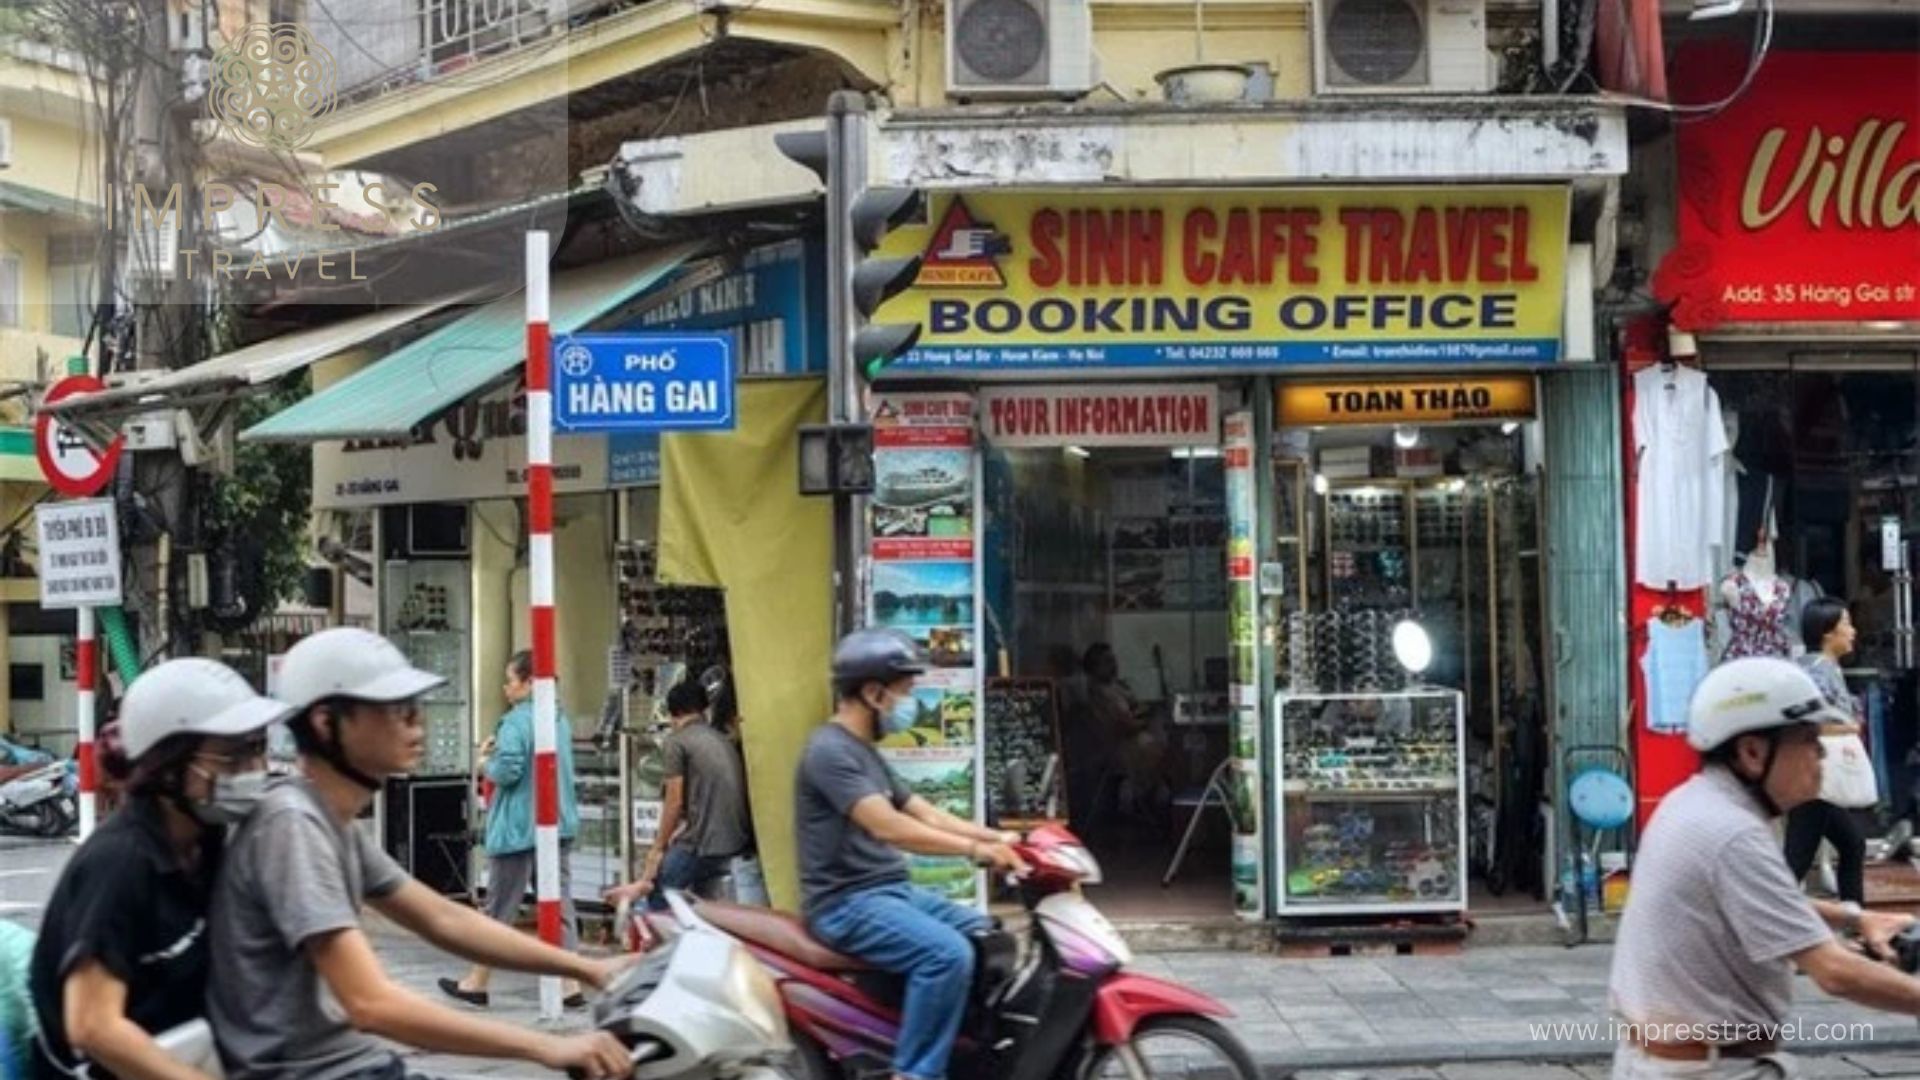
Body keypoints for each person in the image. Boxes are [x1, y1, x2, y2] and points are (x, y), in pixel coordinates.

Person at [206, 628, 628, 1080]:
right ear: (326, 723)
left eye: (414, 707)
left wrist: (591, 968)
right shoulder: (293, 827)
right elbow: (372, 1003)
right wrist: (546, 1047)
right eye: (394, 709)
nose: (415, 722)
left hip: (355, 1066)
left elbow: (444, 919)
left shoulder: (331, 823)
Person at [1608, 657, 1920, 1079]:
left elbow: (1766, 902)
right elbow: (1835, 973)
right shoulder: (1732, 832)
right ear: (1753, 752)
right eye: (1809, 741)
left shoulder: (1695, 804)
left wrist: (1857, 917)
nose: (1821, 757)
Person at [28, 659, 291, 1080]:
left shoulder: (205, 840)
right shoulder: (120, 863)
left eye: (257, 749)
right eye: (232, 756)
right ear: (168, 765)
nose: (253, 771)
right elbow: (93, 1025)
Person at [798, 628, 1027, 1080]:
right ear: (872, 692)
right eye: (903, 692)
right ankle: (916, 1072)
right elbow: (891, 827)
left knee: (988, 936)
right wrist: (975, 850)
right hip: (845, 904)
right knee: (948, 955)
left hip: (887, 893)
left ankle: (963, 1052)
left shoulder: (864, 752)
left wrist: (999, 839)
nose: (908, 704)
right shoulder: (828, 751)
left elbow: (927, 813)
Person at [440, 650, 585, 1008]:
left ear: (528, 682)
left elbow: (508, 771)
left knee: (499, 908)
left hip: (519, 826)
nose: (506, 688)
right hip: (556, 822)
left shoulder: (517, 721)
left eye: (510, 680)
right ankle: (569, 984)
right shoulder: (559, 718)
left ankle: (477, 981)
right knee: (558, 903)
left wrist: (486, 761)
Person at [605, 678, 753, 910]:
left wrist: (658, 847)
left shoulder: (677, 742)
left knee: (659, 893)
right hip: (734, 842)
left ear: (674, 713)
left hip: (704, 844)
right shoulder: (721, 740)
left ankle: (645, 901)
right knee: (701, 904)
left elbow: (673, 801)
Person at [1783, 598, 1868, 904]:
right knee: (1796, 860)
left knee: (1850, 844)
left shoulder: (1823, 667)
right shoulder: (1818, 671)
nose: (1852, 631)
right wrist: (1848, 728)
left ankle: (1856, 923)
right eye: (1846, 623)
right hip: (1812, 778)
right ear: (1827, 632)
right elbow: (1808, 724)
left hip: (1815, 778)